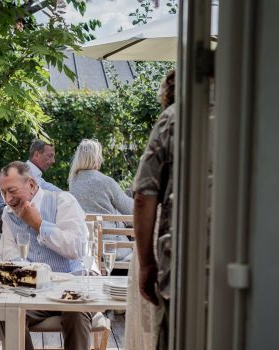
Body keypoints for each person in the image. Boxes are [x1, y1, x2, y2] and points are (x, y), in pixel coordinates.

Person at [0, 161, 92, 350]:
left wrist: (39, 225)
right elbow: (9, 255)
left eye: (12, 191)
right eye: (3, 192)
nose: (8, 199)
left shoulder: (63, 201)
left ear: (31, 185)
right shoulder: (8, 214)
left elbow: (76, 249)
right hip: (30, 293)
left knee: (77, 312)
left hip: (69, 290)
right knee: (7, 312)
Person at [125, 69, 176, 350]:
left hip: (178, 258)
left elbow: (143, 196)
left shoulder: (172, 119)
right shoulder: (241, 115)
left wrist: (146, 263)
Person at [67, 139, 134, 262]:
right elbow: (131, 209)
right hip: (112, 251)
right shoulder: (106, 182)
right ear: (96, 158)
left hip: (86, 250)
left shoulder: (73, 182)